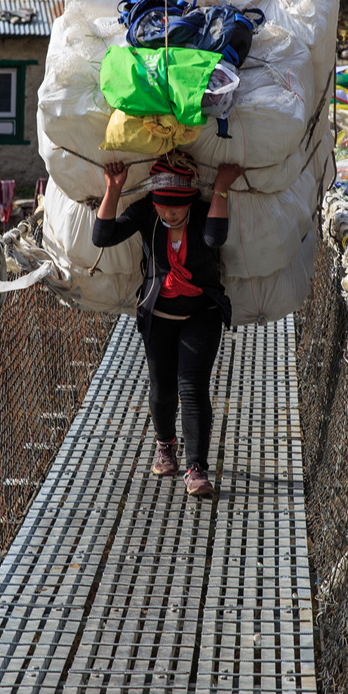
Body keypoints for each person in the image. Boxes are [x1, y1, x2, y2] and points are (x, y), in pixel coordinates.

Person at [93, 155, 244, 498]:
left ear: (190, 200)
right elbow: (102, 236)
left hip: (201, 313)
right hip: (158, 314)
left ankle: (197, 468)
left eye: (177, 206)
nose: (170, 213)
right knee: (162, 387)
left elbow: (214, 239)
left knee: (191, 387)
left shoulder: (204, 212)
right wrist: (113, 189)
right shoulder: (148, 213)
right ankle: (165, 445)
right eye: (164, 206)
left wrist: (220, 188)